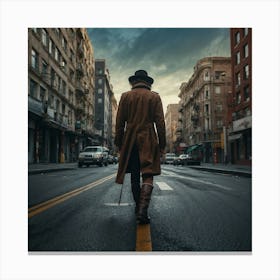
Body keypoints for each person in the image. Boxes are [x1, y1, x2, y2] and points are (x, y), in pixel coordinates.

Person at [114, 70, 166, 224]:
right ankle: (143, 210)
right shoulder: (154, 97)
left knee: (135, 175)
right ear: (148, 82)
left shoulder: (125, 96)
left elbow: (119, 124)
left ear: (134, 81)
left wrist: (119, 143)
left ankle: (138, 208)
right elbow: (160, 124)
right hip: (148, 139)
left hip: (130, 139)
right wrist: (162, 145)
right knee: (148, 174)